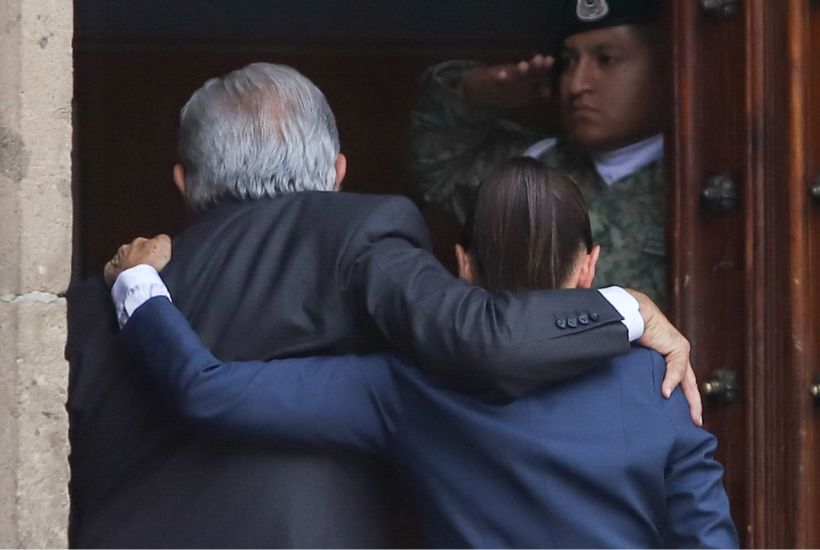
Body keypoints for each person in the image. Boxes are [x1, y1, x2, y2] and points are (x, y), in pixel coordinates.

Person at [67, 62, 695, 548]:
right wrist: (629, 308)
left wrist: (135, 286)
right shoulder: (359, 234)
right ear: (339, 171)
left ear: (182, 181)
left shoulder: (90, 308)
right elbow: (482, 340)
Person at [408, 0, 670, 308]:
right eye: (569, 62)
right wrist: (472, 95)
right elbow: (434, 177)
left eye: (607, 59)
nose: (576, 84)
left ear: (668, 65)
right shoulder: (532, 164)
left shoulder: (701, 177)